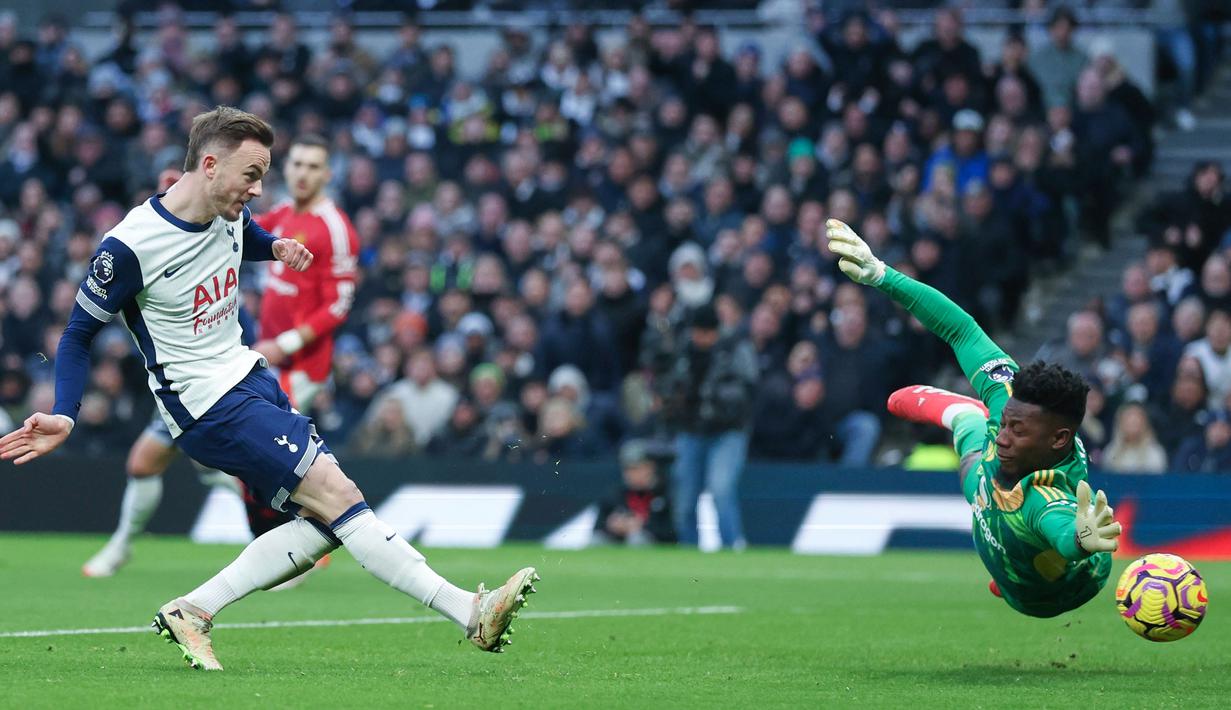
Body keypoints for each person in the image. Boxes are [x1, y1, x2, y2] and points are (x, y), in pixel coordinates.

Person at [0, 107, 536, 671]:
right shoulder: (130, 247)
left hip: (251, 377)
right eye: (251, 175)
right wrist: (65, 412)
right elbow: (78, 333)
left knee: (327, 525)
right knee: (342, 499)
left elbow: (245, 235)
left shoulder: (227, 209)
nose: (259, 190)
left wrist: (275, 246)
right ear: (209, 165)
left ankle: (195, 609)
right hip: (208, 406)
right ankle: (469, 611)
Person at [827, 219, 1121, 618]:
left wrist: (1081, 540)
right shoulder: (1013, 401)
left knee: (981, 480)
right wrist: (882, 274)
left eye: (1017, 430)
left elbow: (1063, 530)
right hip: (1008, 524)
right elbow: (961, 330)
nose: (1004, 436)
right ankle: (966, 418)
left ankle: (965, 420)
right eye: (1005, 423)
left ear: (1057, 440)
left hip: (1050, 593)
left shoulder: (1045, 497)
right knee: (982, 464)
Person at [80, 168, 296, 579]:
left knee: (245, 475)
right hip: (178, 387)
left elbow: (238, 331)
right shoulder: (154, 250)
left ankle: (285, 546)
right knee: (156, 466)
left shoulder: (217, 253)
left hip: (215, 389)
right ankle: (122, 547)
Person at [253, 133, 359, 415]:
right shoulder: (284, 210)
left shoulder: (335, 228)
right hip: (267, 351)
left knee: (266, 447)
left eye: (313, 167)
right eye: (297, 164)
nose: (303, 173)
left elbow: (338, 306)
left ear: (327, 174)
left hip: (300, 366)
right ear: (286, 166)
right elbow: (240, 229)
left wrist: (284, 344)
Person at [652, 302, 758, 549]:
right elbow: (666, 383)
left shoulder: (734, 349)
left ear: (716, 330)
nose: (700, 338)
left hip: (728, 431)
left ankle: (732, 546)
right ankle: (689, 550)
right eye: (697, 332)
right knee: (685, 497)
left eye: (706, 332)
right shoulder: (682, 351)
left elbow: (749, 389)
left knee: (721, 489)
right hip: (690, 430)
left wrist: (715, 399)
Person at [593, 439, 675, 545]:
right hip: (618, 544)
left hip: (653, 547)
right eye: (627, 469)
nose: (630, 474)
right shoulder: (616, 494)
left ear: (650, 467)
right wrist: (612, 525)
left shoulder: (665, 493)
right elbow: (597, 527)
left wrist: (642, 526)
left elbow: (672, 533)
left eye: (635, 468)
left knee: (637, 539)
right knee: (596, 540)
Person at [1101, 402, 1168, 474]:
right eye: (1128, 421)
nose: (1132, 424)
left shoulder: (1155, 453)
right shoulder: (1110, 451)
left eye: (1136, 421)